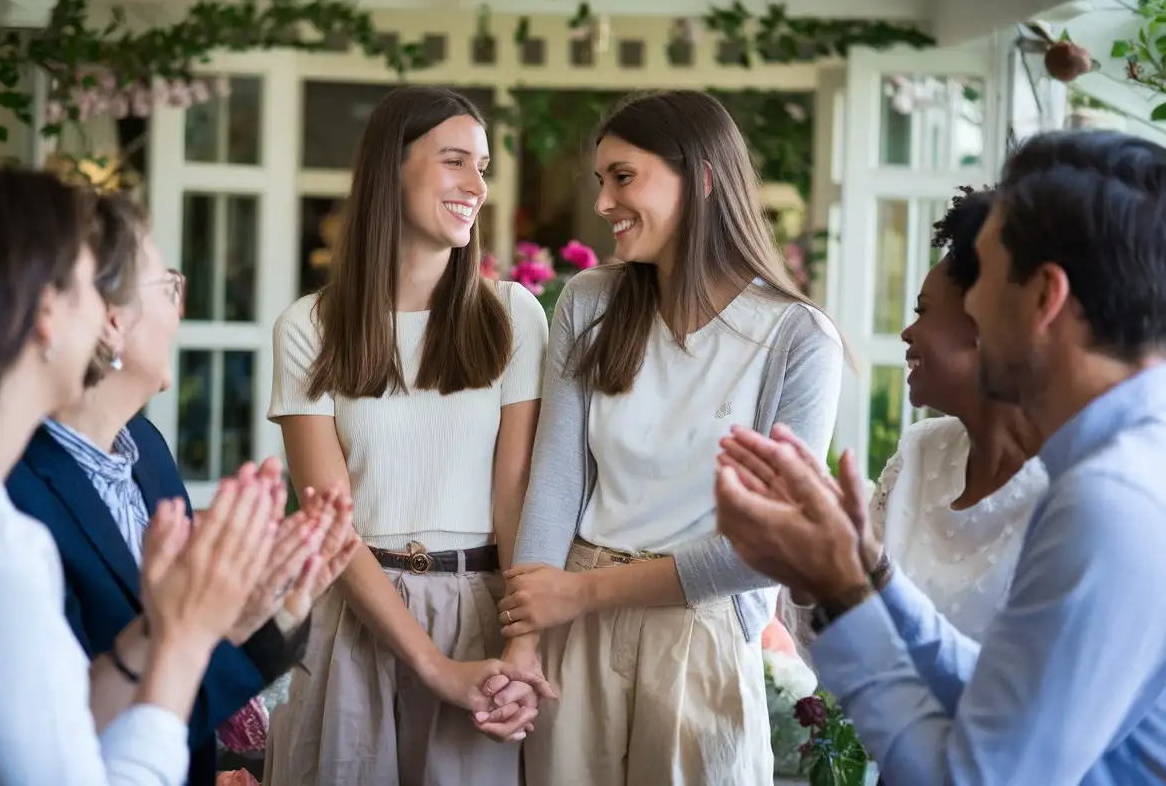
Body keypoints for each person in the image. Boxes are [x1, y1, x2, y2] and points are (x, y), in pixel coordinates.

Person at [715, 129, 1166, 784]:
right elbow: (1001, 695)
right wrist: (863, 570)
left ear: (1044, 296)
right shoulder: (1113, 468)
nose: (972, 307)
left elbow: (972, 776)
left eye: (981, 276)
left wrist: (843, 592)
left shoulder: (1114, 498)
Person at [490, 90, 844, 786]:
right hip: (575, 628)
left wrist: (580, 595)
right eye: (600, 181)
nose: (602, 203)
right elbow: (558, 478)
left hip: (699, 630)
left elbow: (770, 548)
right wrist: (524, 641)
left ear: (702, 178)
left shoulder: (796, 338)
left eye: (623, 177)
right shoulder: (591, 301)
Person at [0, 168, 276, 784]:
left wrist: (168, 623)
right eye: (91, 288)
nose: (105, 316)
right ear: (47, 312)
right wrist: (181, 642)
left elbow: (66, 721)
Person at [6, 192, 360, 786]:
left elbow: (184, 675)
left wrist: (274, 608)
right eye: (169, 287)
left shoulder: (144, 450)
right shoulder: (15, 495)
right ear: (112, 320)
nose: (182, 308)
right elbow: (67, 731)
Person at [263, 85, 555, 785]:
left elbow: (517, 499)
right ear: (391, 168)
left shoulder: (514, 315)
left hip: (483, 614)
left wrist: (522, 648)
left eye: (482, 166)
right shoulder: (310, 326)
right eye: (455, 160)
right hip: (354, 618)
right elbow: (328, 519)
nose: (476, 186)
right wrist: (431, 666)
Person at [728, 187, 1047, 643]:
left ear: (985, 323)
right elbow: (823, 647)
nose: (906, 331)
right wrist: (812, 558)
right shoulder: (922, 450)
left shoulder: (1067, 492)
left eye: (924, 311)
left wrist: (868, 568)